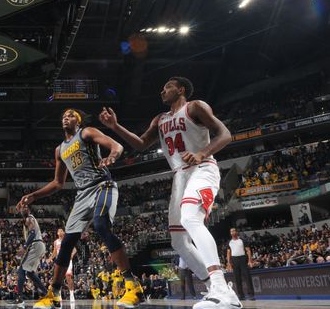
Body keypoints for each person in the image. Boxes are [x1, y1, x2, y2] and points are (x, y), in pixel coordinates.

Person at [100, 76, 240, 309]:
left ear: (181, 89)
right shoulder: (160, 119)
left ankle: (220, 288)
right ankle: (221, 291)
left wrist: (202, 153)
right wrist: (115, 127)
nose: (162, 90)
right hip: (179, 176)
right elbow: (140, 143)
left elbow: (224, 134)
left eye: (167, 86)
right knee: (178, 242)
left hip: (202, 168)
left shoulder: (195, 107)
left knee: (190, 219)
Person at [18, 109, 144, 309]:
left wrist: (112, 156)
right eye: (63, 116)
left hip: (102, 185)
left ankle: (133, 286)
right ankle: (54, 294)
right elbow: (58, 183)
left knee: (102, 226)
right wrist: (34, 195)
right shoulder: (60, 149)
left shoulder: (86, 133)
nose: (65, 118)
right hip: (82, 194)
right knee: (67, 242)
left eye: (69, 115)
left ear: (77, 120)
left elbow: (117, 145)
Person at [6, 206, 48, 307]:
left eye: (24, 207)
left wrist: (25, 247)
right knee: (30, 274)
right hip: (39, 246)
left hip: (36, 245)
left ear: (28, 210)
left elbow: (33, 233)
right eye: (21, 208)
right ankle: (47, 294)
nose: (22, 209)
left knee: (21, 270)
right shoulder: (28, 219)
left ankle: (19, 298)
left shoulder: (29, 218)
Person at [226, 228, 254, 301]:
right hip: (234, 260)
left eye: (233, 231)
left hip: (243, 259)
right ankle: (241, 295)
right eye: (231, 231)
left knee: (247, 277)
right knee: (237, 279)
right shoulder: (229, 242)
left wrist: (250, 260)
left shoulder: (242, 240)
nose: (232, 232)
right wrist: (229, 263)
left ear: (236, 232)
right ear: (230, 233)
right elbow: (228, 253)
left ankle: (251, 295)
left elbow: (248, 250)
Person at [51, 229, 77, 302]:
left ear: (64, 232)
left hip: (67, 260)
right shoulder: (55, 242)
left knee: (68, 276)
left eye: (62, 231)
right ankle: (58, 295)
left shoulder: (67, 239)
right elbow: (55, 252)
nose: (60, 232)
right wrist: (49, 259)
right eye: (59, 231)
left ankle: (72, 294)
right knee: (59, 278)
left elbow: (74, 249)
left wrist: (71, 254)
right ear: (57, 233)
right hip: (59, 261)